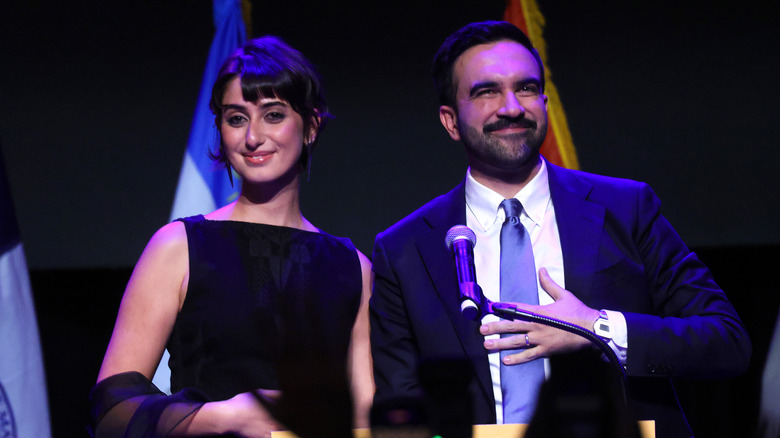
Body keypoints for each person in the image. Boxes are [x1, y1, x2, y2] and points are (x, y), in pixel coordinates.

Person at [369, 21, 750, 438]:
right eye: (486, 91)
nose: (511, 107)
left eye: (527, 88)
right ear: (451, 121)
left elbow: (725, 341)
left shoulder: (626, 208)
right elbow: (402, 406)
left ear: (544, 101)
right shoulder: (404, 249)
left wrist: (597, 329)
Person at [90, 36, 374, 438]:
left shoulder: (354, 267)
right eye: (237, 118)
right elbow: (112, 408)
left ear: (311, 126)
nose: (253, 137)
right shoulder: (179, 246)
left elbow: (364, 414)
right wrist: (224, 416)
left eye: (273, 115)